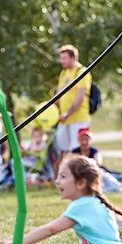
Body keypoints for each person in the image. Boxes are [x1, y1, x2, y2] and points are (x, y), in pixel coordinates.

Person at [54, 45, 92, 174]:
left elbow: (80, 98)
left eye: (64, 58)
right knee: (63, 149)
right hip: (64, 120)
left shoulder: (82, 72)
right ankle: (65, 176)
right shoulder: (64, 73)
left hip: (78, 119)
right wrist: (53, 111)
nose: (62, 61)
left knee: (76, 150)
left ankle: (78, 175)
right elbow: (58, 95)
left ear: (73, 58)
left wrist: (68, 113)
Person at [71, 128, 121, 193]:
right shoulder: (74, 152)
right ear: (78, 140)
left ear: (90, 140)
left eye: (86, 139)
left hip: (97, 171)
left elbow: (98, 163)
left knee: (117, 176)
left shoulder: (94, 151)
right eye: (82, 139)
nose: (84, 142)